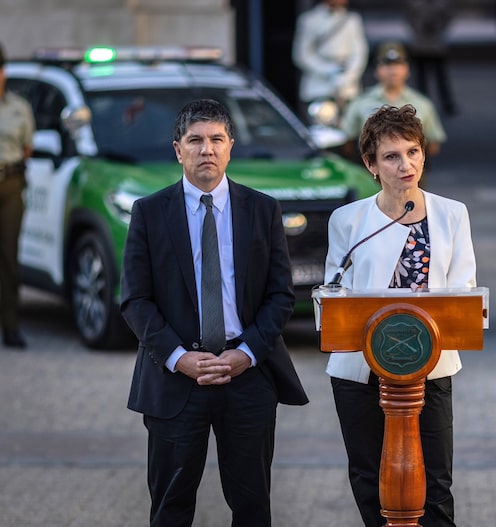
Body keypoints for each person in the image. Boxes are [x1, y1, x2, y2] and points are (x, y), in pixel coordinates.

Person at [120, 99, 309, 527]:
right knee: (170, 508)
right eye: (196, 141)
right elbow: (135, 299)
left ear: (230, 147)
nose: (207, 149)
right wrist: (178, 358)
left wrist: (246, 353)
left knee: (252, 507)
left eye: (216, 140)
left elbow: (282, 295)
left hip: (247, 378)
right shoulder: (149, 213)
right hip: (174, 381)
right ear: (177, 150)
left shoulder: (262, 210)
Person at [325, 104, 475, 527]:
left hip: (429, 365)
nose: (405, 165)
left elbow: (463, 292)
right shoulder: (348, 220)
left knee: (436, 484)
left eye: (413, 152)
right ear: (371, 165)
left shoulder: (452, 214)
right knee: (369, 479)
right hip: (361, 370)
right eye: (391, 156)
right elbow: (334, 296)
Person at [341, 41, 446, 187]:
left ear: (407, 69)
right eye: (387, 65)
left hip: (411, 177)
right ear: (377, 70)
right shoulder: (360, 103)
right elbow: (347, 143)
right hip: (370, 176)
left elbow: (433, 144)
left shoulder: (422, 103)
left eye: (398, 65)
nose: (393, 71)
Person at [0, 42, 35, 349]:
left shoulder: (18, 107)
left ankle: (10, 326)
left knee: (9, 257)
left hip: (10, 184)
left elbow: (27, 148)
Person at [292, 0, 368, 117]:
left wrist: (348, 76)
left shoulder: (352, 19)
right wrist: (328, 70)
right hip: (318, 87)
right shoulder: (309, 19)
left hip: (347, 87)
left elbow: (359, 53)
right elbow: (302, 55)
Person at [405, 0, 458, 115]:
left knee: (440, 77)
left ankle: (447, 104)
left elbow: (448, 17)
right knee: (421, 78)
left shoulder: (441, 4)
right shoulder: (416, 4)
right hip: (422, 44)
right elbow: (409, 17)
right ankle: (422, 104)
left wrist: (439, 28)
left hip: (435, 44)